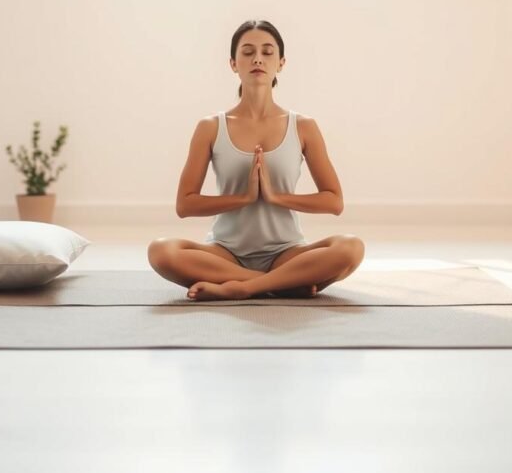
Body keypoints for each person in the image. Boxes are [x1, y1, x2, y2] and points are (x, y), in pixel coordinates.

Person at [147, 20, 365, 301]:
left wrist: (276, 196)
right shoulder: (211, 127)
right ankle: (281, 285)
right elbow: (185, 204)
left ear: (281, 62)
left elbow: (334, 201)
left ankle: (244, 287)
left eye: (267, 51)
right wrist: (245, 198)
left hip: (286, 253)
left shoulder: (303, 126)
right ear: (233, 63)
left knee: (351, 248)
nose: (258, 58)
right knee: (160, 251)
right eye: (247, 52)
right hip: (225, 254)